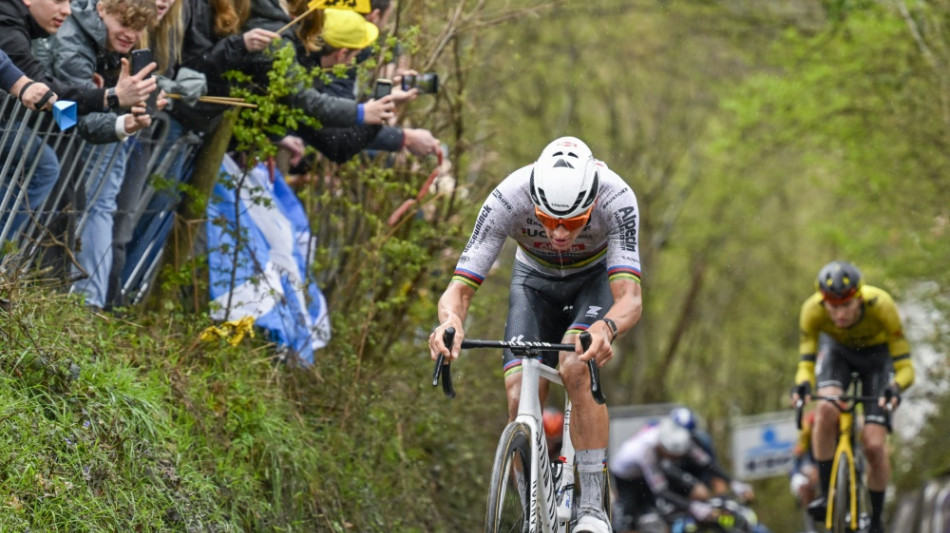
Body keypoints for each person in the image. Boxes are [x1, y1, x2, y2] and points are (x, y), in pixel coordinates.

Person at [429, 136, 643, 533]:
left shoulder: (618, 199)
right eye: (547, 221)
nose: (560, 234)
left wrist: (606, 328)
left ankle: (593, 506)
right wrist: (450, 323)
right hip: (533, 283)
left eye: (575, 223)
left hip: (592, 283)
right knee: (516, 394)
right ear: (534, 202)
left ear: (593, 203)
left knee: (575, 366)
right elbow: (458, 289)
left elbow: (629, 297)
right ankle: (530, 507)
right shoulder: (508, 197)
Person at [49, 0, 160, 309]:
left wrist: (125, 98)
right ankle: (84, 303)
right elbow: (78, 115)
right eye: (124, 22)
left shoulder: (102, 41)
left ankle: (86, 302)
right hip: (47, 134)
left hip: (73, 137)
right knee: (86, 207)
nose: (131, 34)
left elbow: (91, 101)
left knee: (97, 205)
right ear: (102, 9)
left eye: (138, 28)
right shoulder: (74, 43)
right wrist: (121, 111)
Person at [790, 260, 914, 533]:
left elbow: (906, 367)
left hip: (877, 359)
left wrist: (895, 387)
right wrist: (801, 385)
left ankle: (877, 518)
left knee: (873, 445)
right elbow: (806, 363)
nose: (840, 314)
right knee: (825, 409)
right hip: (838, 354)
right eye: (833, 307)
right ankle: (827, 494)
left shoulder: (882, 305)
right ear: (824, 303)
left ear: (859, 297)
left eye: (846, 305)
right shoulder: (812, 310)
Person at [610, 417, 715, 533]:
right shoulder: (646, 452)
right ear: (662, 449)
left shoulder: (666, 433)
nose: (675, 459)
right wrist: (692, 506)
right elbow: (660, 490)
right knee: (631, 518)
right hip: (625, 476)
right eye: (672, 456)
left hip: (646, 469)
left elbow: (704, 461)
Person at [669, 406, 755, 503]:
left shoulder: (699, 443)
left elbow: (710, 466)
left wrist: (732, 486)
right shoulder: (655, 450)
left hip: (699, 487)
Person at [790, 410, 820, 532]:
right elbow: (797, 460)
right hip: (807, 472)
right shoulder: (806, 435)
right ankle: (811, 527)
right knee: (808, 480)